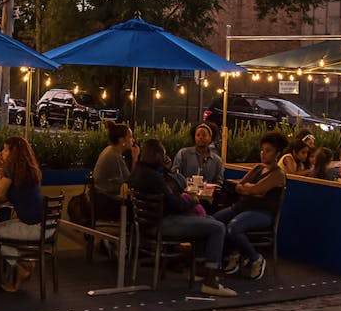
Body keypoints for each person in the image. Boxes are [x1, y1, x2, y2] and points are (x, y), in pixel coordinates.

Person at [126, 139, 237, 297]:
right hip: (162, 224)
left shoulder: (138, 172)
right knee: (217, 227)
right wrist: (192, 200)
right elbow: (174, 205)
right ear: (157, 155)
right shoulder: (154, 177)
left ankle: (201, 269)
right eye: (162, 155)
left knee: (210, 222)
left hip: (147, 224)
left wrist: (165, 170)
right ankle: (210, 281)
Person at [216, 131, 288, 280]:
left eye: (268, 151)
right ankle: (232, 253)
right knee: (215, 221)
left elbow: (255, 189)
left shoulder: (278, 174)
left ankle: (255, 258)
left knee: (234, 227)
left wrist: (251, 190)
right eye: (262, 150)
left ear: (278, 153)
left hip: (262, 212)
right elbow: (239, 186)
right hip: (242, 207)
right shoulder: (257, 168)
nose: (263, 154)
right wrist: (252, 190)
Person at [0, 136, 46, 292]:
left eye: (5, 149)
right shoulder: (28, 170)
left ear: (13, 152)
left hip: (30, 227)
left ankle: (20, 266)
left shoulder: (11, 172)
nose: (1, 152)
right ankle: (21, 265)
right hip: (43, 225)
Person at [92, 123, 139, 220]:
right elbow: (131, 181)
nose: (133, 140)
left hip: (99, 200)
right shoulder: (114, 155)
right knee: (137, 210)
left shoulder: (110, 151)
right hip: (104, 204)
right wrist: (135, 158)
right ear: (122, 140)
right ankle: (132, 235)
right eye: (130, 137)